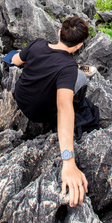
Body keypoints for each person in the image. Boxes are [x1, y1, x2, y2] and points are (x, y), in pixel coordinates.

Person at [8, 16, 93, 208]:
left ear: (58, 33)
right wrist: (68, 161)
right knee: (80, 78)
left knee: (69, 72)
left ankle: (78, 71)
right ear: (79, 45)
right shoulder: (68, 67)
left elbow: (15, 60)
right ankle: (82, 71)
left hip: (19, 96)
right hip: (38, 114)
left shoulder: (38, 44)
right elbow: (64, 108)